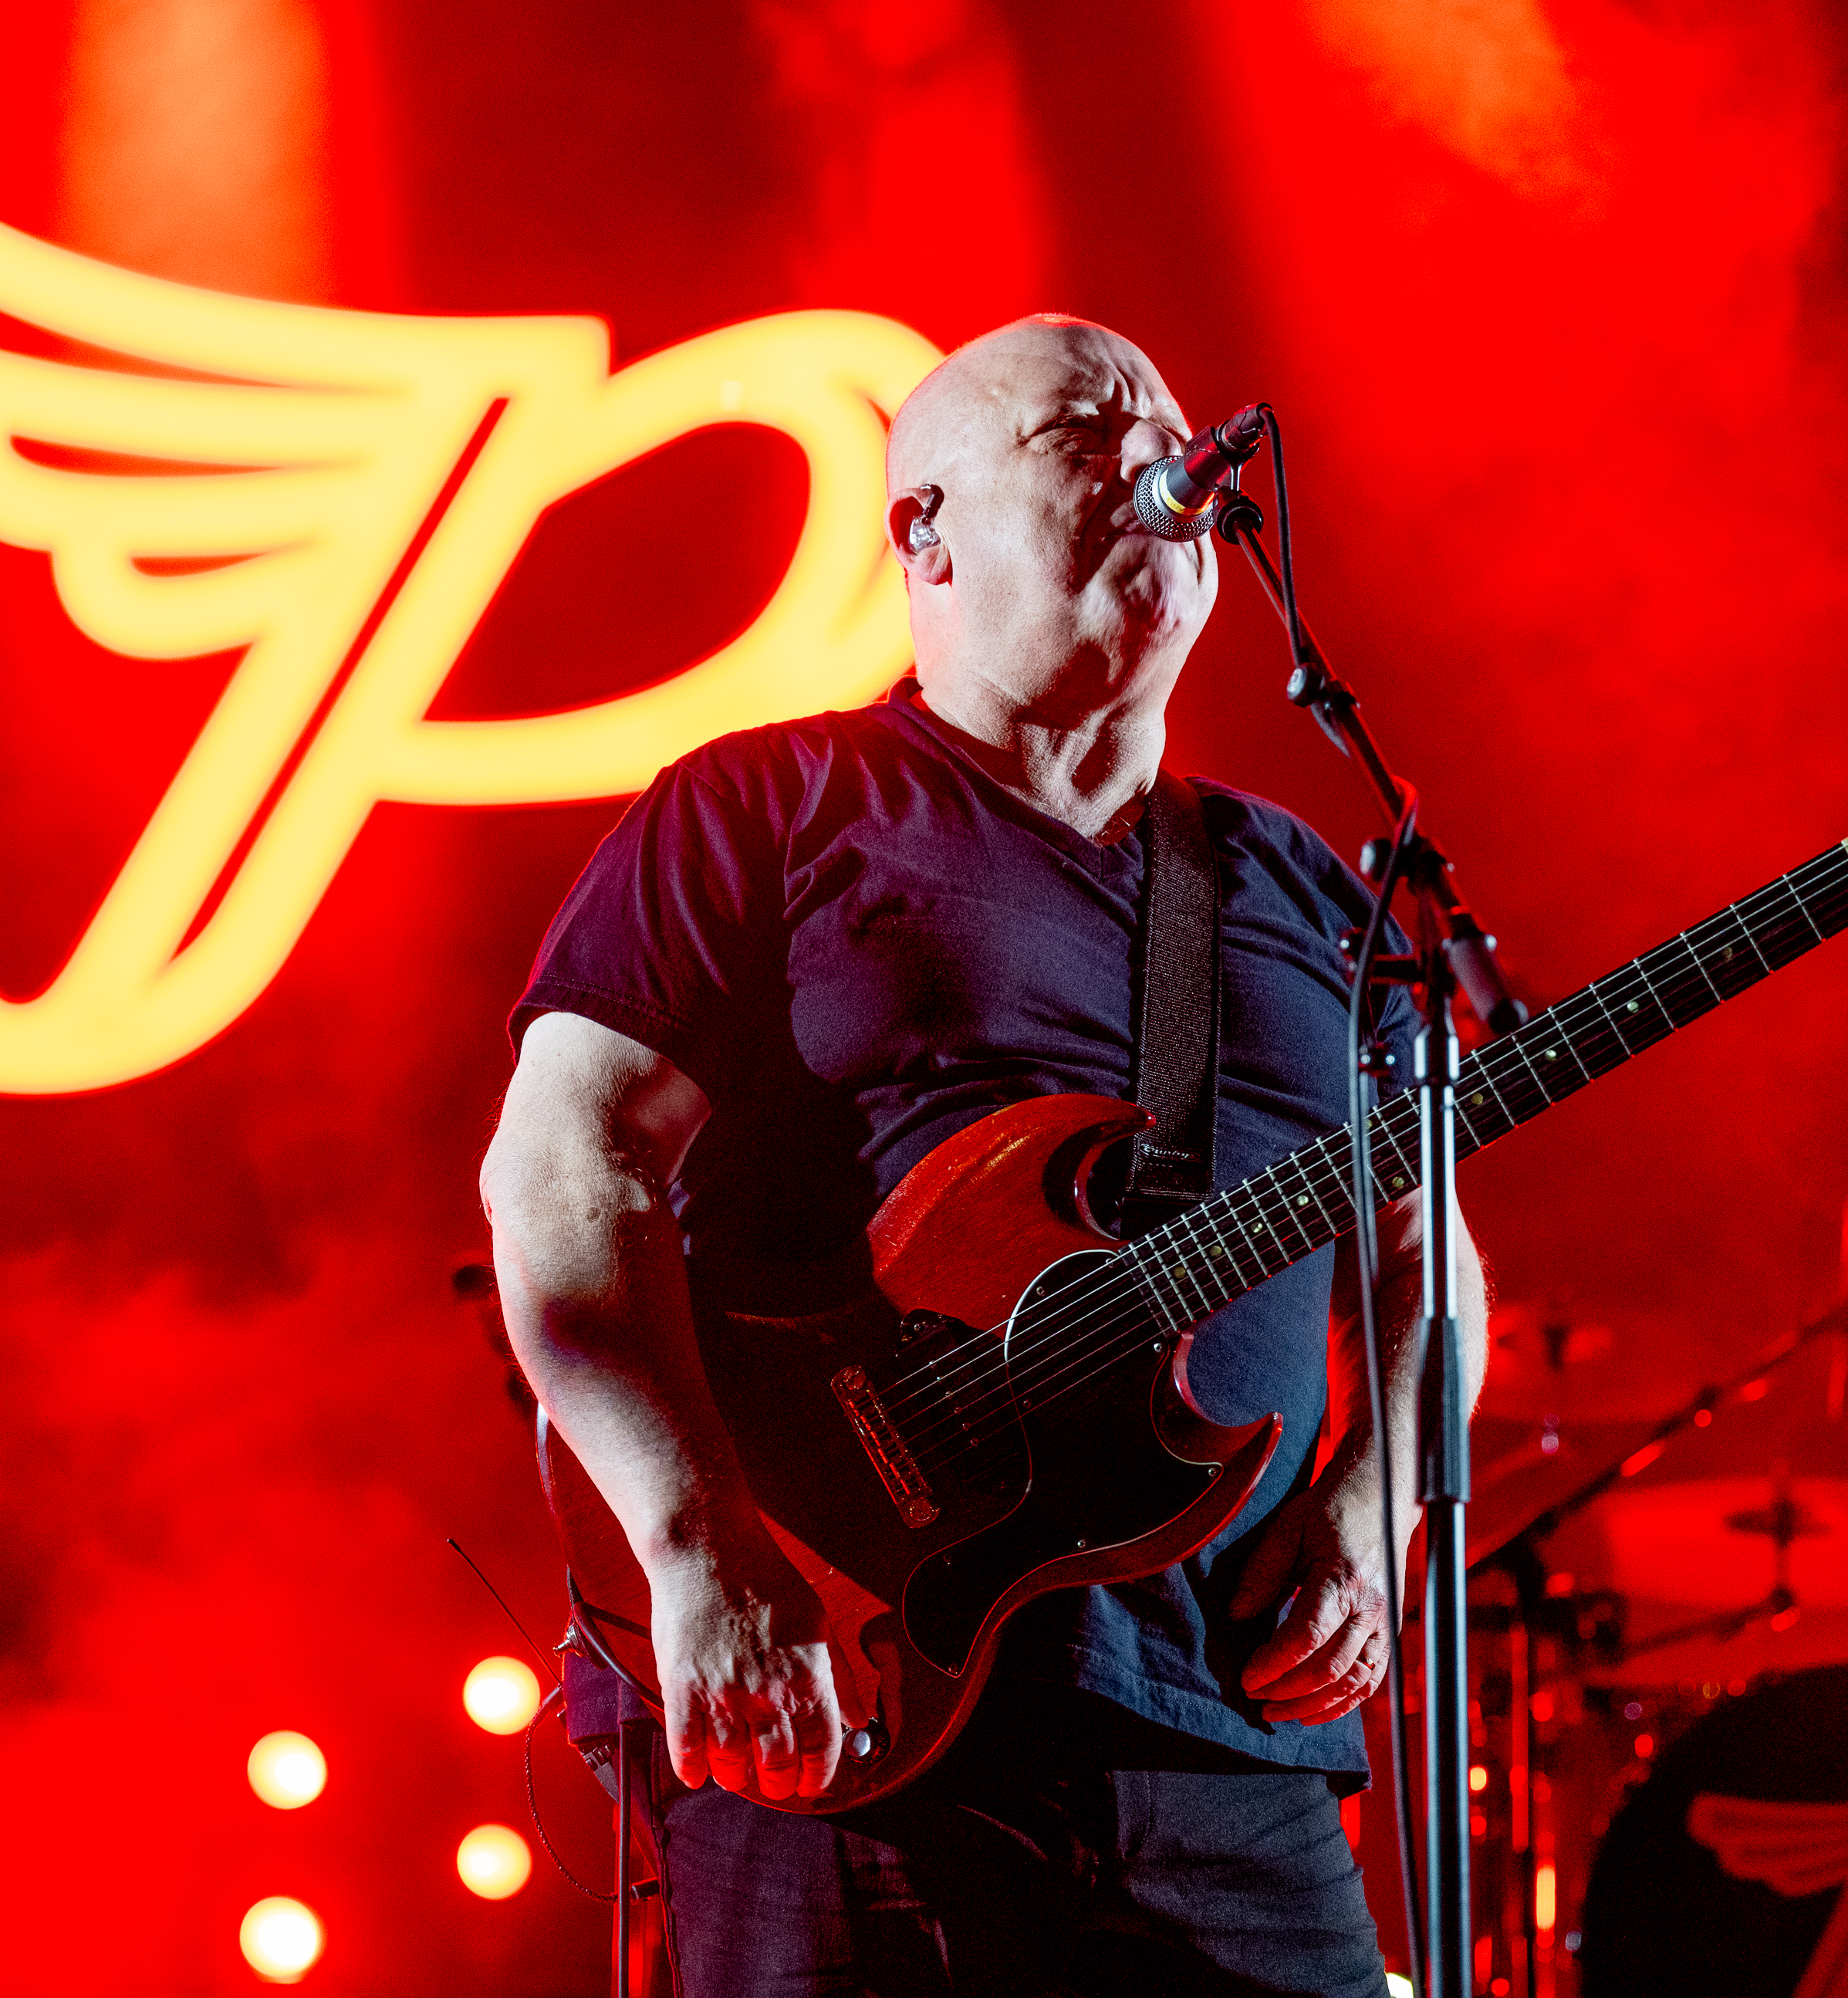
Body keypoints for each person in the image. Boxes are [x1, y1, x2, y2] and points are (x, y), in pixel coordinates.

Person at [479, 315, 1482, 1996]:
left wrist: (1373, 1516)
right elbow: (563, 1172)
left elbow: (1417, 1245)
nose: (1160, 468)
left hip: (1221, 1718)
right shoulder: (765, 809)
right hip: (860, 1685)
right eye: (1083, 440)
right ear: (921, 528)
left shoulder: (1311, 889)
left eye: (1166, 430)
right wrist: (698, 1540)